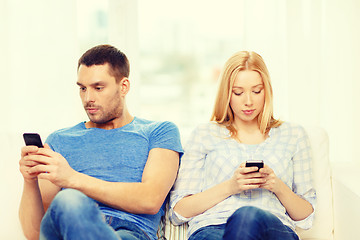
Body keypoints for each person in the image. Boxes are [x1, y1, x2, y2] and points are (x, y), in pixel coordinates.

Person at [19, 44, 183, 240]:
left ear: (124, 86)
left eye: (98, 88)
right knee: (69, 200)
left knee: (70, 197)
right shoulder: (59, 140)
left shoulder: (159, 132)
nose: (88, 98)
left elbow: (150, 199)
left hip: (129, 234)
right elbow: (35, 233)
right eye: (82, 88)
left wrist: (73, 179)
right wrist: (29, 181)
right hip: (69, 231)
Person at [169, 51, 316, 240]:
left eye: (256, 91)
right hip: (213, 229)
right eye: (238, 92)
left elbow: (306, 217)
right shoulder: (205, 134)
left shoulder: (293, 135)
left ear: (267, 91)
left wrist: (277, 186)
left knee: (247, 216)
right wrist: (231, 186)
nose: (248, 101)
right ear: (226, 94)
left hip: (272, 229)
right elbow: (179, 212)